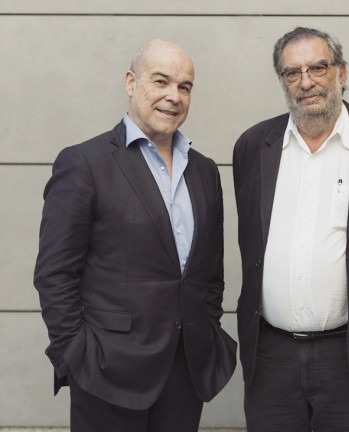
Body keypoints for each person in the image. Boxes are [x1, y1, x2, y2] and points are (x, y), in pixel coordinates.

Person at [33, 39, 236, 432]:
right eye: (160, 81)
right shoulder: (84, 163)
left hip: (185, 371)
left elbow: (209, 273)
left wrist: (207, 328)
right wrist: (76, 354)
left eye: (185, 86)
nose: (173, 97)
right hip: (107, 371)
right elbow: (54, 274)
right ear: (131, 82)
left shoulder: (204, 171)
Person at [233, 27, 349, 432]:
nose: (306, 82)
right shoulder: (253, 147)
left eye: (318, 67)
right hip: (271, 358)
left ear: (341, 73)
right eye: (292, 72)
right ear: (282, 81)